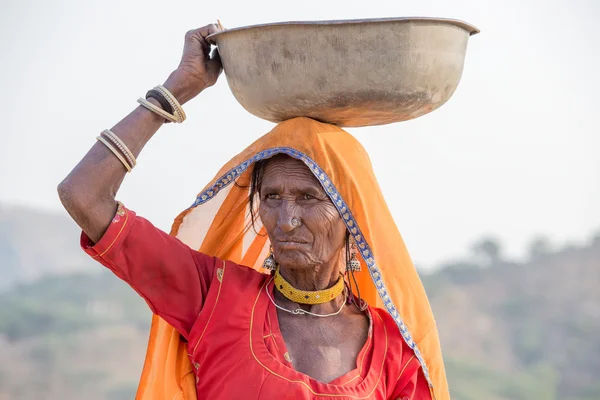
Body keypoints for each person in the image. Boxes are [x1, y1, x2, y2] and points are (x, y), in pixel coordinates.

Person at [58, 24, 448, 400]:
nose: (285, 220)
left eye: (309, 198)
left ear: (352, 215)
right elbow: (84, 195)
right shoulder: (214, 295)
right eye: (272, 197)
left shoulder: (393, 350)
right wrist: (175, 90)